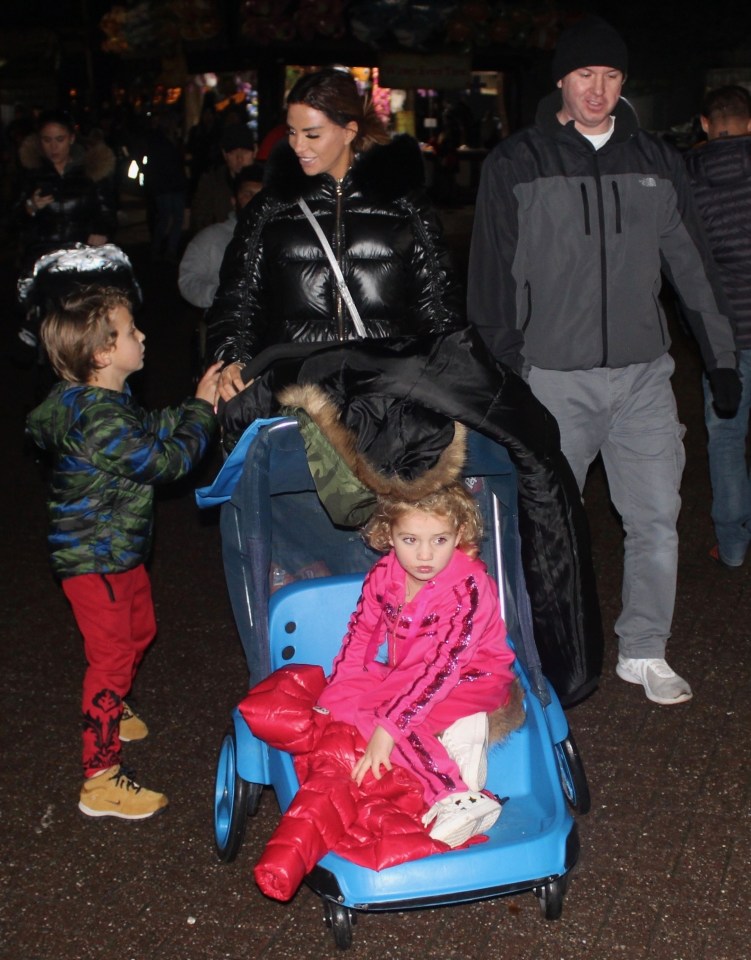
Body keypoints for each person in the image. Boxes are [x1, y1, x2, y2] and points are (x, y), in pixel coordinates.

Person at [467, 16, 741, 706]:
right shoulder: (516, 163)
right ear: (561, 78)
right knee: (542, 526)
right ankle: (532, 654)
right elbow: (489, 279)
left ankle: (643, 649)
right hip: (552, 380)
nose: (597, 89)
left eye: (610, 76)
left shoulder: (654, 160)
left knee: (655, 519)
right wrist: (504, 374)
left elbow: (692, 266)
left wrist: (720, 359)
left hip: (644, 377)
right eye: (584, 75)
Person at [26, 286, 220, 819]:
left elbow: (150, 429)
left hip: (116, 552)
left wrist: (197, 400)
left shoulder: (104, 405)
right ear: (103, 354)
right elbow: (168, 462)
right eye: (131, 331)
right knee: (111, 657)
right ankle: (100, 778)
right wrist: (202, 413)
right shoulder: (100, 420)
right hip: (94, 556)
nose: (143, 336)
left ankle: (112, 702)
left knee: (139, 632)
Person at [206, 66, 465, 405]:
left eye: (312, 134)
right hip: (297, 394)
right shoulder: (270, 208)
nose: (298, 145)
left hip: (384, 397)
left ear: (349, 131)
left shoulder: (404, 205)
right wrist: (234, 358)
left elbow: (437, 301)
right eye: (292, 132)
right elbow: (239, 297)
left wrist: (444, 377)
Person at [315, 482, 516, 847]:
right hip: (412, 673)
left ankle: (454, 796)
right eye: (410, 540)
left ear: (459, 535)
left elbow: (444, 667)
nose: (424, 555)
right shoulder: (384, 573)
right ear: (388, 535)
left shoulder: (468, 588)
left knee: (393, 720)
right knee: (342, 704)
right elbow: (361, 633)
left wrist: (388, 727)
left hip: (471, 678)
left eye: (439, 540)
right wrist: (340, 687)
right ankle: (456, 743)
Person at [685, 86, 751, 569]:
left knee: (727, 438)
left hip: (727, 338)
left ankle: (731, 546)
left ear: (705, 124)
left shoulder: (690, 184)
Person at [12, 108, 117, 273]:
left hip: (83, 257)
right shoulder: (30, 173)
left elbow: (107, 211)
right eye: (47, 140)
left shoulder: (91, 170)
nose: (53, 147)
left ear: (72, 138)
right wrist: (30, 207)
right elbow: (13, 220)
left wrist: (101, 231)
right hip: (42, 259)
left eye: (60, 139)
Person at [178, 163, 264, 310]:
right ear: (234, 200)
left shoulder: (282, 239)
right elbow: (188, 281)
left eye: (260, 195)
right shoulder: (210, 239)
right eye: (248, 194)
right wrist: (222, 295)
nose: (254, 201)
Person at [190, 122, 256, 234]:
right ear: (225, 154)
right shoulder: (211, 183)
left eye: (244, 152)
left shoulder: (267, 182)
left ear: (255, 152)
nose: (239, 159)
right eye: (233, 153)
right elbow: (200, 220)